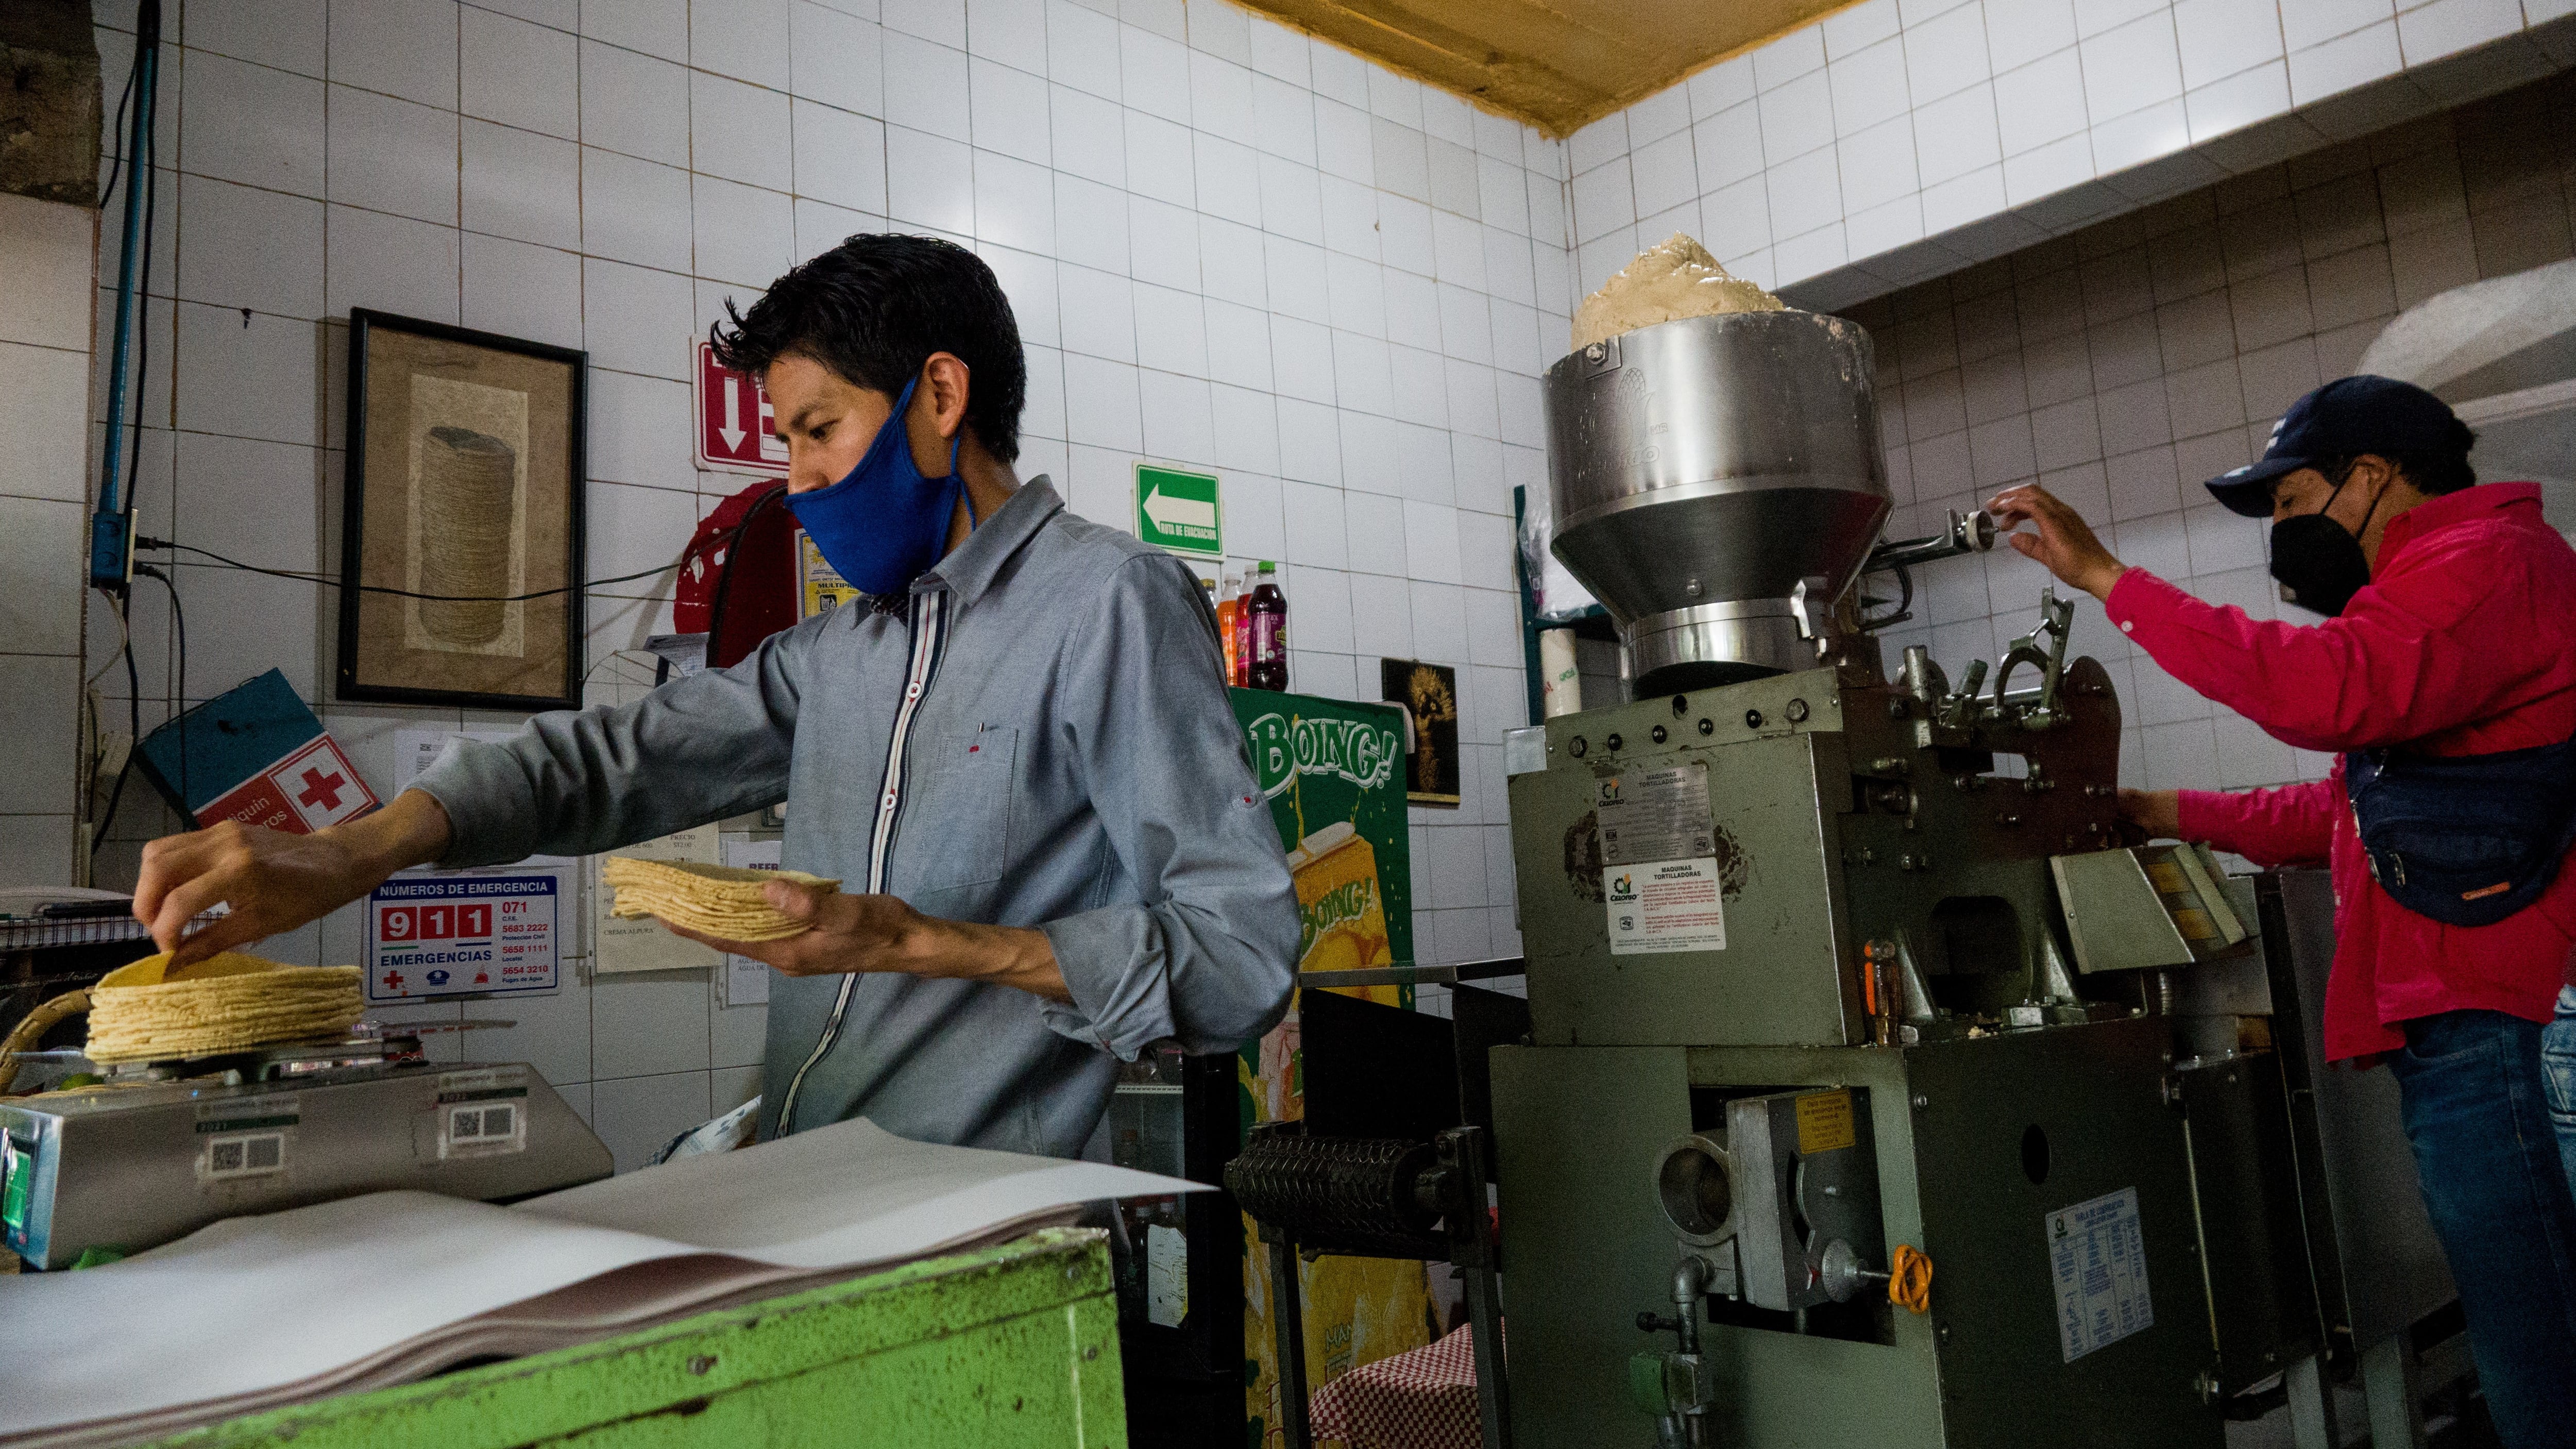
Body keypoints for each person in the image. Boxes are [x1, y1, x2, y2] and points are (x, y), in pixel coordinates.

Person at [129, 234, 1300, 1157]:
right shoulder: (846, 651)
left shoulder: (1110, 602)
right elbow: (612, 757)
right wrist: (358, 851)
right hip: (819, 1191)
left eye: (819, 430)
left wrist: (922, 941)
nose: (793, 478)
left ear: (941, 394)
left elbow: (1239, 954)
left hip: (991, 1225)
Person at [1985, 374, 2576, 1447]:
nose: (2285, 533)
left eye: (2294, 501)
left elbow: (2325, 693)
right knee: (2529, 1335)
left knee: (2544, 1351)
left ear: (2372, 477)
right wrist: (2159, 809)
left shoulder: (2484, 562)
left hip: (2503, 1017)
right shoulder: (2438, 588)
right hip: (2471, 1015)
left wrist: (2109, 579)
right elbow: (2349, 803)